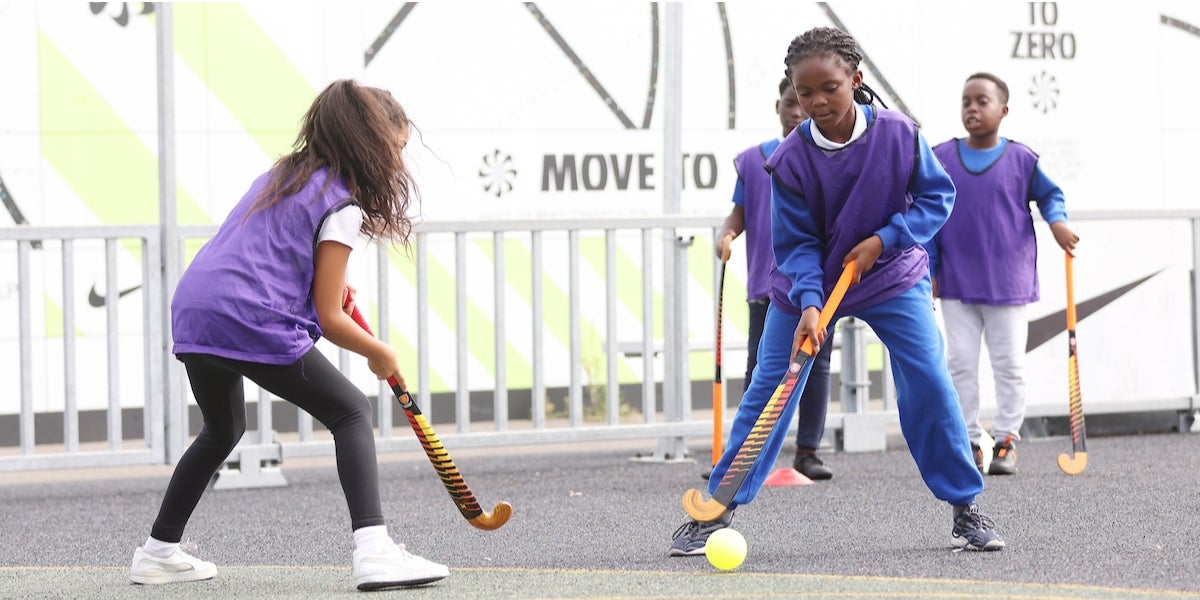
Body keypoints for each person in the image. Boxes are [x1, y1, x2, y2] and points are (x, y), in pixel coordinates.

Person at [670, 26, 1005, 558]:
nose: (818, 101)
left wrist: (885, 238)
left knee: (929, 380)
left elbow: (937, 197)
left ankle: (966, 508)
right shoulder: (789, 158)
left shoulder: (899, 134)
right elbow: (796, 242)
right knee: (770, 388)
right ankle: (717, 510)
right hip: (810, 284)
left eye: (829, 87)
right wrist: (808, 302)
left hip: (891, 273)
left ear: (856, 78)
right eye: (805, 92)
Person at [129, 79, 450, 591]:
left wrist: (331, 286)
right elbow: (329, 318)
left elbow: (270, 250)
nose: (396, 163)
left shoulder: (284, 174)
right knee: (350, 410)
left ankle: (158, 552)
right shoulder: (342, 206)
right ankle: (374, 550)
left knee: (221, 428)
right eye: (395, 149)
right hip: (247, 314)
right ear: (367, 142)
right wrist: (380, 352)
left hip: (196, 308)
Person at [926, 72, 1079, 476]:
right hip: (956, 281)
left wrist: (1058, 223)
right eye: (966, 102)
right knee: (960, 363)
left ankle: (1007, 438)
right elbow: (926, 213)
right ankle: (970, 441)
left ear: (1003, 110)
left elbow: (1051, 196)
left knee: (1009, 364)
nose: (972, 109)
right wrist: (931, 268)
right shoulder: (941, 156)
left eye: (981, 101)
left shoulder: (1022, 159)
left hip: (1008, 283)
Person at [715, 77, 834, 482]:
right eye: (790, 103)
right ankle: (748, 454)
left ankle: (808, 450)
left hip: (814, 287)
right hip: (765, 285)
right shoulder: (752, 160)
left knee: (814, 366)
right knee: (760, 368)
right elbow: (740, 212)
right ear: (779, 106)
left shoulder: (824, 156)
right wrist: (727, 233)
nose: (796, 112)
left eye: (801, 104)